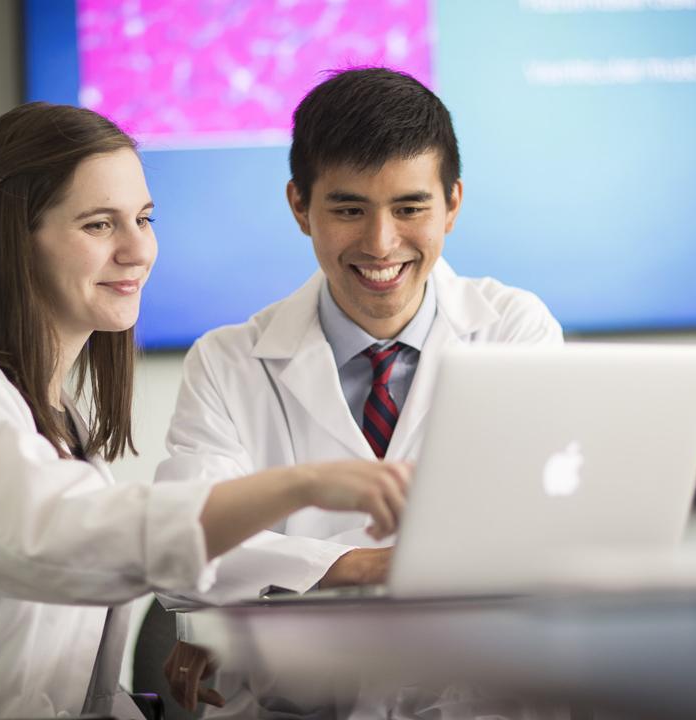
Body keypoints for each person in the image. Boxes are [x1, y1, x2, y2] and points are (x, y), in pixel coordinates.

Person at [0, 102, 410, 720]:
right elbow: (57, 546)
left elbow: (67, 686)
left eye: (143, 219)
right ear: (14, 238)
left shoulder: (59, 422)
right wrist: (299, 486)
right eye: (98, 225)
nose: (137, 250)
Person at [154, 68, 563, 716]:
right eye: (349, 209)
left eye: (410, 208)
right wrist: (364, 566)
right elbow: (184, 550)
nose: (380, 243)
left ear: (453, 204)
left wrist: (278, 575)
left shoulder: (513, 330)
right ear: (299, 206)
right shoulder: (228, 363)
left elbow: (533, 535)